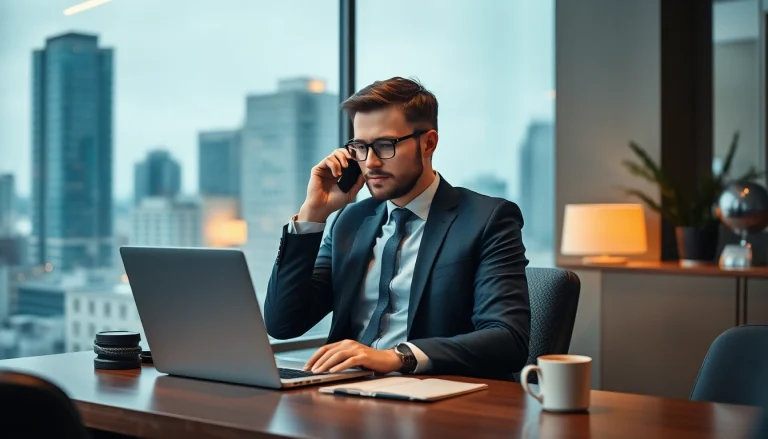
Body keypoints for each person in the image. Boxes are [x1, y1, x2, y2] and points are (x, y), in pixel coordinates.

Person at [264, 77, 530, 380]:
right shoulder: (349, 222)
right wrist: (314, 213)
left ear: (428, 143)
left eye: (385, 145)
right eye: (360, 148)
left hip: (434, 395)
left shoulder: (487, 219)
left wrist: (396, 357)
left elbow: (508, 338)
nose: (371, 162)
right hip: (345, 392)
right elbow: (283, 323)